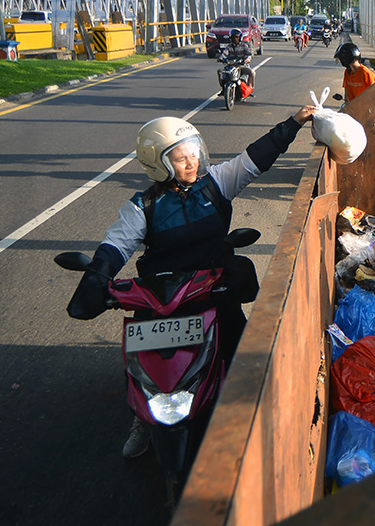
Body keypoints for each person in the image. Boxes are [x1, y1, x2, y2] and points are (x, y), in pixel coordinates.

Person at [66, 108, 315, 457]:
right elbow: (115, 246)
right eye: (181, 158)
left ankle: (255, 416)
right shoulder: (142, 206)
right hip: (161, 293)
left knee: (245, 352)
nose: (192, 162)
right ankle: (142, 417)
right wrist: (98, 277)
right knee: (139, 356)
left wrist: (294, 123)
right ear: (158, 163)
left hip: (212, 286)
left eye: (193, 153)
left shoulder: (216, 183)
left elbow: (256, 157)